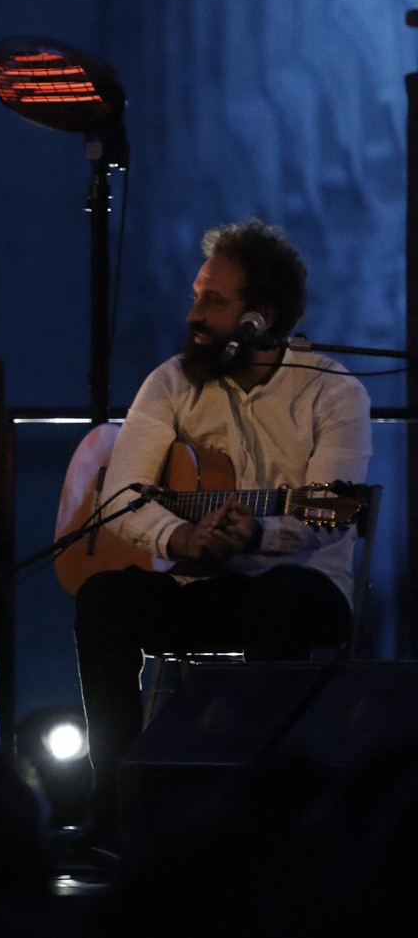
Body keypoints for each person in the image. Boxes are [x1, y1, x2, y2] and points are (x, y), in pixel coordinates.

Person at [74, 219, 371, 835]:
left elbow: (329, 515)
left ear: (259, 318)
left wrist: (259, 536)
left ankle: (262, 813)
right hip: (203, 583)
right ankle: (117, 807)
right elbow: (123, 495)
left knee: (280, 600)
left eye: (214, 300)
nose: (195, 313)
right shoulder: (172, 381)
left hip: (302, 586)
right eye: (195, 295)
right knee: (104, 600)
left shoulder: (335, 394)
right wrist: (182, 538)